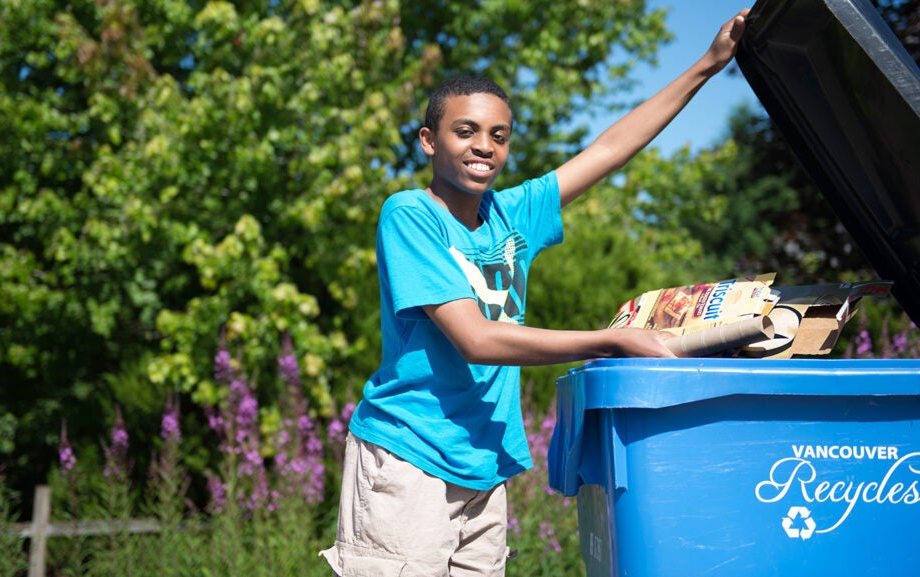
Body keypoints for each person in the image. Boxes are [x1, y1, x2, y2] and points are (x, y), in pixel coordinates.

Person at [320, 9, 750, 577]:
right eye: (465, 131)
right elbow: (476, 340)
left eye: (498, 136)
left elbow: (610, 150)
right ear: (428, 141)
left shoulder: (511, 215)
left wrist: (708, 65)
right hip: (407, 458)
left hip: (483, 464)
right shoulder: (410, 215)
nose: (484, 146)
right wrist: (612, 341)